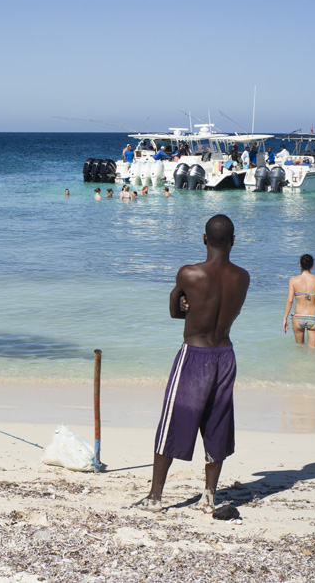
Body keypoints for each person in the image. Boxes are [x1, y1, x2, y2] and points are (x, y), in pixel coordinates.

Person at [135, 214, 250, 513]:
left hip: (194, 355)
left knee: (173, 422)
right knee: (217, 422)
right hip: (225, 354)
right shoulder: (243, 277)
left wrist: (181, 299)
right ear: (233, 241)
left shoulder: (189, 273)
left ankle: (155, 497)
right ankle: (209, 496)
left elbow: (176, 311)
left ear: (204, 239)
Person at [282, 254, 315, 348]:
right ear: (312, 266)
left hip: (298, 316)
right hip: (314, 317)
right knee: (314, 351)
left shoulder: (293, 280)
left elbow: (290, 300)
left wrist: (285, 318)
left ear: (300, 264)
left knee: (299, 349)